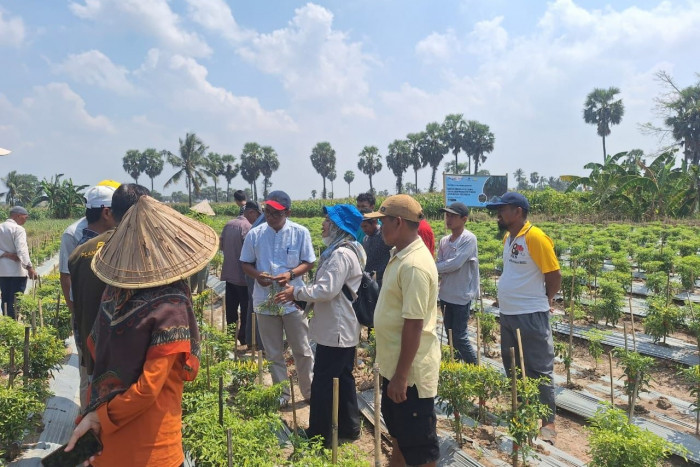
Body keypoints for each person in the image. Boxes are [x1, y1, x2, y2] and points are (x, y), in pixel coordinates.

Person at [65, 195, 217, 466]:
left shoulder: (113, 294)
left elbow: (97, 355)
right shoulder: (172, 303)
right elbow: (148, 389)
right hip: (152, 446)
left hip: (106, 446)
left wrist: (93, 415)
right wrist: (99, 418)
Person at [275, 204, 364, 445]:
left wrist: (297, 293)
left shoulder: (341, 254)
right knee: (343, 379)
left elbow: (326, 289)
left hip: (335, 329)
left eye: (327, 221)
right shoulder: (350, 249)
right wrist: (302, 300)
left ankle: (319, 432)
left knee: (324, 381)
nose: (323, 224)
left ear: (337, 227)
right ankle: (349, 426)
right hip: (340, 327)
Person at [364, 194, 440, 467]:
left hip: (410, 378)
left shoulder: (415, 265)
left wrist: (401, 377)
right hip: (394, 369)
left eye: (383, 221)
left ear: (397, 222)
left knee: (420, 451)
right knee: (400, 439)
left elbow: (414, 324)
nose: (380, 227)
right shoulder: (399, 255)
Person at [486, 192, 562, 444]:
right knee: (513, 367)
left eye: (503, 209)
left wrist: (545, 301)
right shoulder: (509, 237)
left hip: (530, 314)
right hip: (508, 314)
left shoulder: (536, 237)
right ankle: (523, 413)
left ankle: (547, 424)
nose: (499, 214)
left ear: (518, 211)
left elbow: (554, 275)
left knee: (539, 368)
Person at [68, 184, 149, 410]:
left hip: (96, 352)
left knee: (98, 414)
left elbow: (79, 302)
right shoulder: (148, 249)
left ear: (113, 213)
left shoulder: (82, 252)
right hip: (139, 362)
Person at [240, 190, 316, 405]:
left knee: (302, 349)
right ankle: (282, 395)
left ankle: (309, 392)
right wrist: (258, 276)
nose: (271, 216)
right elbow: (245, 262)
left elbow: (309, 262)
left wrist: (290, 274)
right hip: (265, 300)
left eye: (276, 213)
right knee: (273, 353)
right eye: (268, 212)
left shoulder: (300, 233)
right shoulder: (255, 234)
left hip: (292, 300)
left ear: (288, 212)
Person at [58, 180, 121, 312]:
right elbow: (66, 276)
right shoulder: (73, 233)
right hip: (87, 308)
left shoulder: (119, 230)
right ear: (106, 212)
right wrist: (76, 315)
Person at [436, 202, 479, 364]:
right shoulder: (444, 241)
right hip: (446, 294)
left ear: (464, 219)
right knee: (450, 335)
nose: (448, 219)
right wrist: (439, 267)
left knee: (460, 337)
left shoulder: (468, 239)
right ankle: (457, 368)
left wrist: (435, 267)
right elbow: (442, 263)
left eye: (453, 216)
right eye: (447, 215)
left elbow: (455, 263)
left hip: (461, 295)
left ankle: (475, 369)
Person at [220, 201, 261, 345]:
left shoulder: (228, 225)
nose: (258, 218)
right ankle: (243, 338)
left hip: (228, 274)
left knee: (231, 308)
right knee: (245, 309)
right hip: (243, 277)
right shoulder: (249, 228)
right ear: (251, 213)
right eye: (257, 215)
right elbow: (250, 253)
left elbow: (221, 246)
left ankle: (230, 337)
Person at [0, 206, 38, 318]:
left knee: (5, 299)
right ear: (18, 215)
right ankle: (13, 323)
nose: (26, 220)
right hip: (17, 272)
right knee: (16, 300)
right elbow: (22, 250)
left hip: (2, 272)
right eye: (25, 217)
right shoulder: (18, 229)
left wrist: (5, 254)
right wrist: (29, 267)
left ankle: (7, 324)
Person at [359, 208, 391, 287]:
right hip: (370, 282)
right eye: (362, 227)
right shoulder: (365, 239)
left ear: (375, 222)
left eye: (366, 226)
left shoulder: (384, 237)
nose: (364, 230)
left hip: (384, 280)